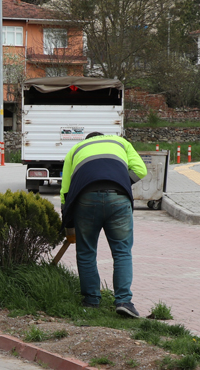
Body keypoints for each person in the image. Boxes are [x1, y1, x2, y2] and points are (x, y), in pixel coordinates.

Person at [60, 132, 146, 318]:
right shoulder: (121, 142)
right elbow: (141, 170)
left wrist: (67, 220)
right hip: (118, 199)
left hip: (86, 199)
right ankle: (124, 302)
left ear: (87, 141)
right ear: (102, 137)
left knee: (86, 251)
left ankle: (91, 300)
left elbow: (66, 189)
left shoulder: (75, 150)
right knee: (122, 251)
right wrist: (119, 181)